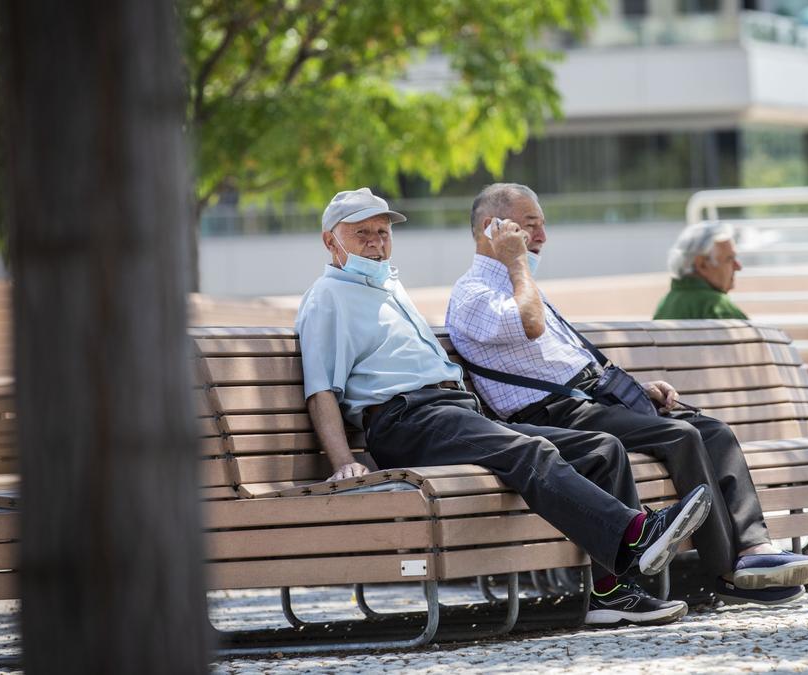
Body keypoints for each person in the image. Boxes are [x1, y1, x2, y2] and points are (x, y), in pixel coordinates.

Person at [297, 187, 713, 627]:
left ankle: (613, 593)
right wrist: (343, 463)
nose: (377, 242)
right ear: (330, 240)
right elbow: (321, 390)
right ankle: (634, 532)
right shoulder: (328, 297)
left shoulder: (388, 286)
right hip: (408, 421)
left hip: (454, 412)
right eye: (362, 233)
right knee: (530, 452)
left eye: (382, 232)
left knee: (601, 450)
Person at [446, 183, 808, 607]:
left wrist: (637, 389)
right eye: (530, 225)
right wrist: (517, 264)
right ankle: (728, 572)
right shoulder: (474, 293)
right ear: (491, 227)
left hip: (588, 398)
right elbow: (530, 326)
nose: (541, 236)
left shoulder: (521, 285)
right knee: (680, 436)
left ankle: (755, 549)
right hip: (552, 414)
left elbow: (563, 358)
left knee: (713, 430)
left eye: (542, 225)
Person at [654, 220, 808, 432]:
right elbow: (765, 373)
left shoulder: (667, 304)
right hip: (752, 413)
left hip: (700, 415)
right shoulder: (716, 307)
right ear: (702, 264)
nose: (738, 266)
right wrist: (800, 374)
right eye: (729, 259)